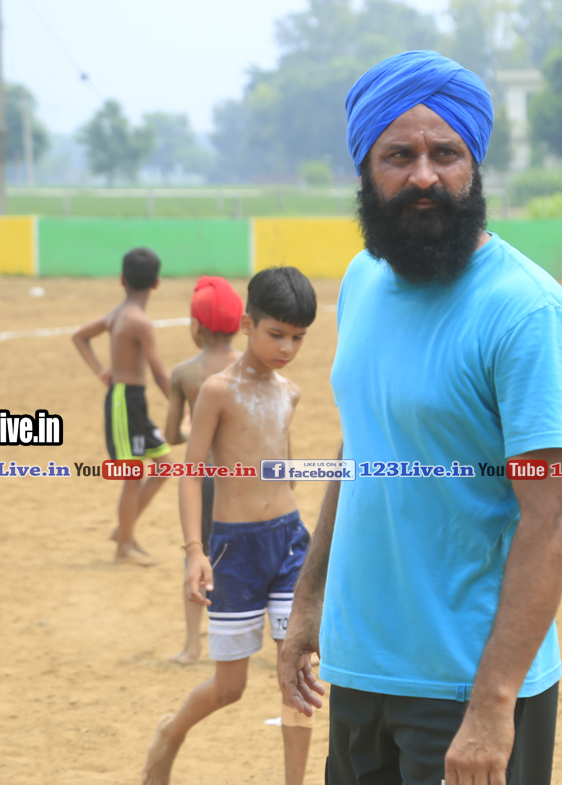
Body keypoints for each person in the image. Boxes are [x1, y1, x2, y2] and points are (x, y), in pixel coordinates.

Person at [278, 50, 562, 785]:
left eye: (445, 153)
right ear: (365, 168)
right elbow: (362, 446)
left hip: (466, 687)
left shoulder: (528, 313)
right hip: (360, 669)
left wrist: (492, 708)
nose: (424, 175)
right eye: (399, 155)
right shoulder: (362, 281)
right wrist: (309, 602)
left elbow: (554, 519)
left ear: (473, 164)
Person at [143, 267, 318, 785]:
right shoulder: (217, 391)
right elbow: (191, 473)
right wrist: (194, 551)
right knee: (229, 688)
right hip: (234, 550)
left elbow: (283, 467)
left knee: (297, 676)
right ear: (247, 324)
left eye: (298, 338)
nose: (287, 348)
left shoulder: (290, 392)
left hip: (290, 543)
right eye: (277, 334)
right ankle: (171, 733)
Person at [72, 247, 174, 567]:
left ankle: (124, 531)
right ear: (157, 283)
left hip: (132, 402)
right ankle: (124, 547)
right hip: (123, 401)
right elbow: (160, 373)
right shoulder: (140, 321)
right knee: (133, 476)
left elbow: (79, 337)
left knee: (165, 466)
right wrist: (181, 407)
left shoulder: (118, 313)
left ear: (122, 280)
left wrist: (100, 370)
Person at [164, 276, 244, 665]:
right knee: (256, 551)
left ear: (196, 326)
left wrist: (191, 431)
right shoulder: (250, 365)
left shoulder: (184, 373)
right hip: (244, 475)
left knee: (197, 554)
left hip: (205, 479)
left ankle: (192, 646)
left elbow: (171, 435)